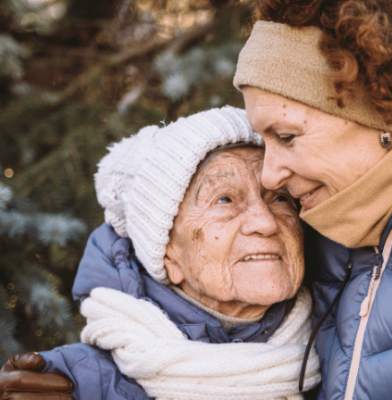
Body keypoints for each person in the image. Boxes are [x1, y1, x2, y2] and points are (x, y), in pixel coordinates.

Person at [234, 0, 392, 399]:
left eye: (286, 136)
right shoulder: (318, 231)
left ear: (387, 109)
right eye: (263, 141)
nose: (270, 176)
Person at [0, 106, 321, 400]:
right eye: (224, 200)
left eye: (279, 198)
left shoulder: (341, 340)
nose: (265, 222)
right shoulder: (73, 385)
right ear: (166, 253)